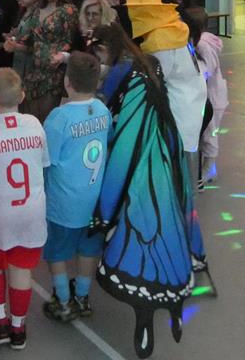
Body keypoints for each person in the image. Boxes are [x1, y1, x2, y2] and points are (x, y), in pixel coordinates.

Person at [88, 23, 206, 358]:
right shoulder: (149, 67)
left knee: (140, 243)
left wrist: (102, 212)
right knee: (169, 237)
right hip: (167, 170)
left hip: (140, 176)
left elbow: (122, 141)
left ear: (106, 48)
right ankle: (173, 309)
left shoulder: (122, 75)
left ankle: (145, 320)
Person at [0, 68, 49, 350]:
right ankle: (18, 329)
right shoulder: (34, 124)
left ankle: (0, 323)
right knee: (22, 270)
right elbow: (43, 163)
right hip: (31, 212)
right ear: (22, 96)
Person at [41, 52, 110, 322]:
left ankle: (63, 300)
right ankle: (82, 295)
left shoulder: (59, 118)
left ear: (67, 81)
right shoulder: (102, 110)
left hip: (64, 201)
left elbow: (48, 159)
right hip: (94, 199)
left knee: (57, 251)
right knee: (88, 248)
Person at [124, 0, 207, 153]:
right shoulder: (173, 26)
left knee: (176, 156)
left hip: (179, 105)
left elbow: (157, 80)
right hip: (193, 95)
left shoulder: (159, 39)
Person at [5, 0, 79, 122]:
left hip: (54, 72)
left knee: (46, 118)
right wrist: (14, 45)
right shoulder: (37, 10)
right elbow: (30, 43)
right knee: (30, 118)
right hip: (32, 70)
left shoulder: (68, 11)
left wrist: (62, 57)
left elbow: (73, 42)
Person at [184, 7, 229, 187]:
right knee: (204, 134)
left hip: (213, 97)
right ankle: (206, 167)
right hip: (205, 96)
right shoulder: (197, 42)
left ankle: (208, 169)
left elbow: (208, 69)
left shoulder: (202, 45)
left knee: (210, 135)